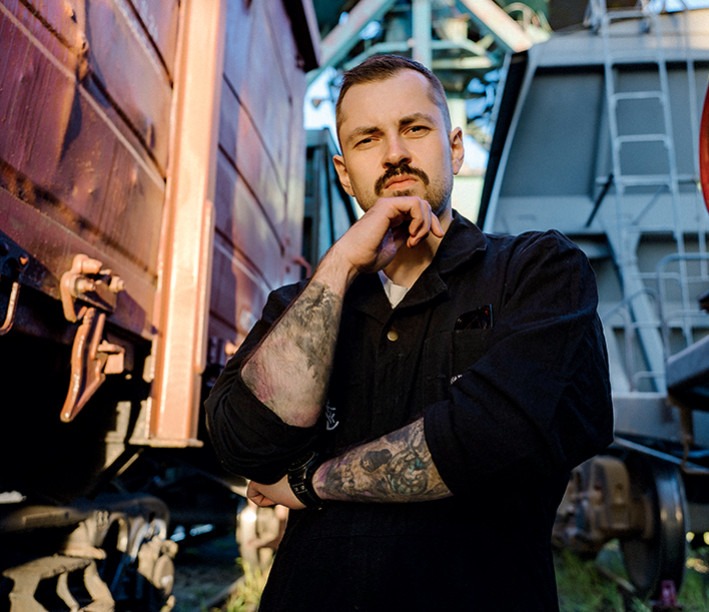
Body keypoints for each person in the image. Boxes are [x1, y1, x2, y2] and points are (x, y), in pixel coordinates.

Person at [205, 54, 613, 611]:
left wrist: (310, 483)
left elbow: (487, 440)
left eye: (414, 128)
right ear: (344, 173)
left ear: (455, 148)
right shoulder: (303, 304)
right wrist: (342, 263)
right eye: (368, 139)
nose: (394, 152)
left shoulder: (538, 272)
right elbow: (245, 444)